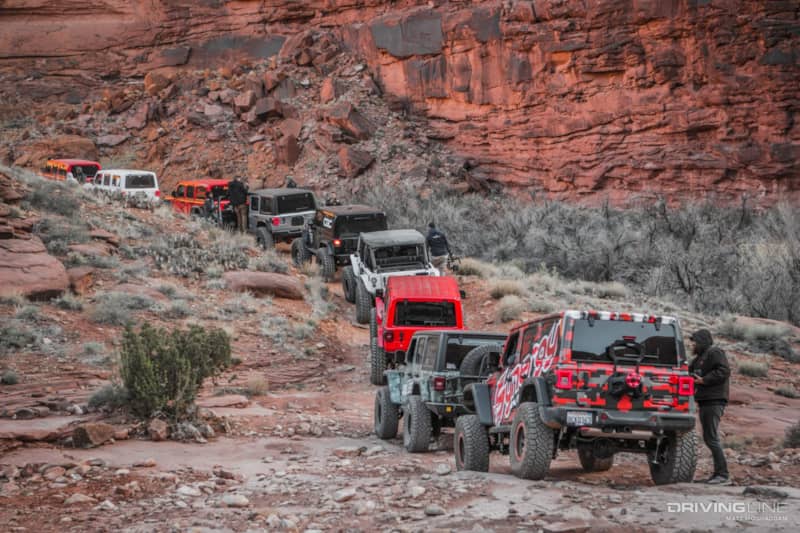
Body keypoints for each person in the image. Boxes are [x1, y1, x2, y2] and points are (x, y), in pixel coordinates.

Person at [688, 329, 731, 485]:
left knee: (711, 438)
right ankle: (717, 474)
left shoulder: (715, 352)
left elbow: (724, 371)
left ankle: (723, 475)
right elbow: (688, 372)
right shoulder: (699, 358)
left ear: (703, 341)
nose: (693, 344)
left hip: (715, 400)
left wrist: (704, 380)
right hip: (705, 400)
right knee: (709, 437)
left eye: (695, 341)